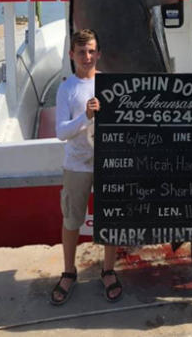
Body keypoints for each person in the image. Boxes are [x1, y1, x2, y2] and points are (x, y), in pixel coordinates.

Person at [49, 29, 122, 305]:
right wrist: (86, 116)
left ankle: (108, 269)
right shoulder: (66, 88)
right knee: (71, 220)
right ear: (72, 55)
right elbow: (61, 131)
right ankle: (69, 271)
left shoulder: (110, 84)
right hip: (76, 165)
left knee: (110, 220)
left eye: (91, 51)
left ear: (99, 53)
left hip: (109, 164)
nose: (87, 56)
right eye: (81, 52)